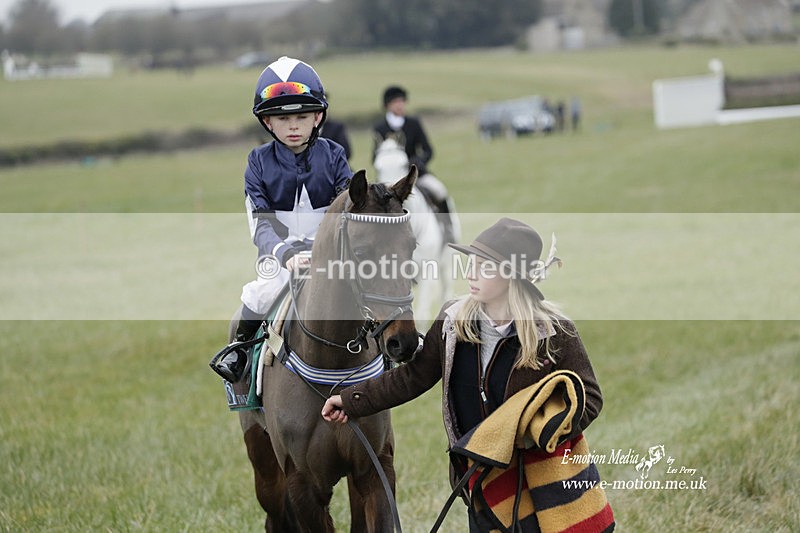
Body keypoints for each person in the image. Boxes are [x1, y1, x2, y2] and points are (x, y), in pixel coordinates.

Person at [322, 218, 614, 532]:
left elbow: (590, 396)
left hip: (540, 476)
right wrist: (351, 400)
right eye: (470, 263)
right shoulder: (453, 322)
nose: (470, 273)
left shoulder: (553, 331)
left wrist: (539, 430)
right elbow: (413, 377)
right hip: (479, 476)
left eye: (484, 267)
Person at [212, 56, 352, 383]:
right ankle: (239, 354)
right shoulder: (258, 162)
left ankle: (387, 355)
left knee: (366, 290)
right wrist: (285, 254)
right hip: (280, 257)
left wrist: (326, 248)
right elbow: (259, 224)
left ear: (318, 117)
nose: (293, 126)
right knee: (259, 294)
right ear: (267, 123)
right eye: (281, 118)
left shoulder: (334, 155)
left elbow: (349, 210)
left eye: (302, 117)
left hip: (330, 252)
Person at [373, 85, 453, 239]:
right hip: (388, 178)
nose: (400, 105)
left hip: (415, 175)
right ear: (387, 105)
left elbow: (428, 150)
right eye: (396, 102)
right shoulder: (380, 128)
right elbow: (374, 156)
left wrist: (416, 162)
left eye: (402, 101)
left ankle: (447, 228)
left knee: (439, 191)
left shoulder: (414, 123)